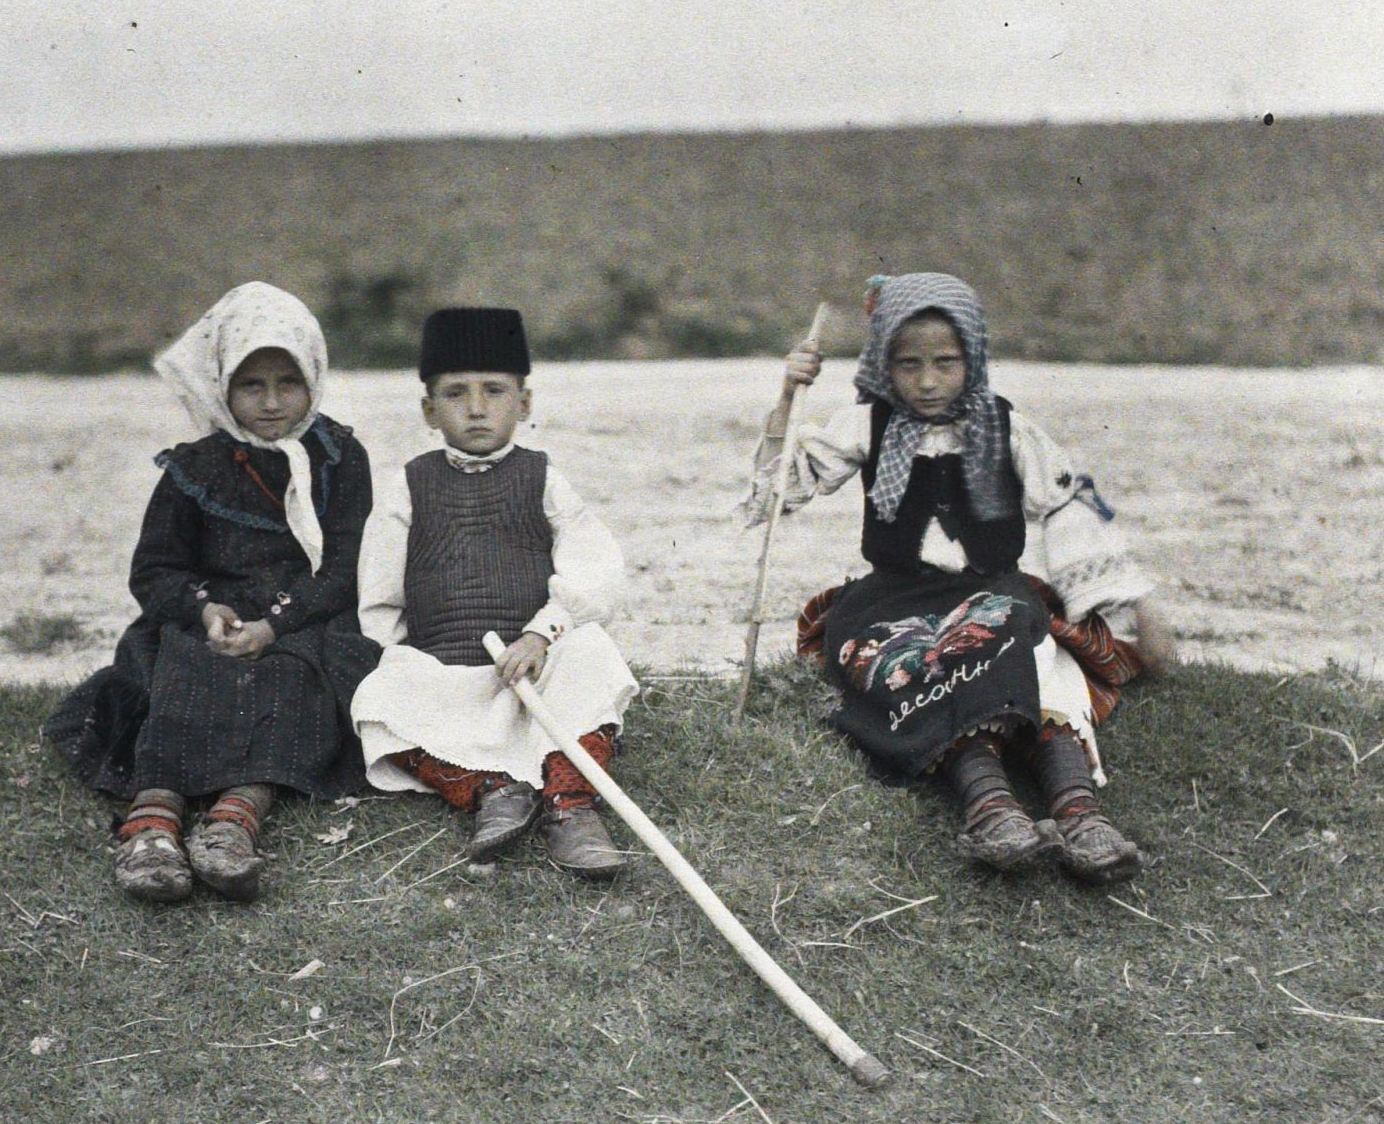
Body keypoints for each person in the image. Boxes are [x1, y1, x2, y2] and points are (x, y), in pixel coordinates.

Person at [742, 272, 1173, 883]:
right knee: (916, 660)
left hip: (993, 590)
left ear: (973, 357)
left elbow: (1069, 503)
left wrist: (1131, 607)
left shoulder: (1008, 427)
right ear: (881, 364)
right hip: (895, 599)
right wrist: (789, 397)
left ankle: (1080, 811)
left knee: (1039, 665)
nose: (926, 381)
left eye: (945, 363)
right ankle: (989, 804)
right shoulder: (866, 425)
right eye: (908, 364)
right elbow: (784, 483)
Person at [43, 282, 380, 904]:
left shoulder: (339, 456)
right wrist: (203, 609)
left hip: (302, 616)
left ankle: (235, 818)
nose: (273, 402)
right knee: (178, 671)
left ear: (314, 379)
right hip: (212, 616)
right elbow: (154, 571)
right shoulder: (194, 468)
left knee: (294, 678)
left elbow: (345, 568)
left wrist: (275, 626)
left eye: (289, 382)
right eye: (252, 385)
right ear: (221, 385)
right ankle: (154, 820)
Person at [351, 307, 641, 881]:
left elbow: (594, 569)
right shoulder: (407, 487)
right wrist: (416, 662)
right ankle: (493, 791)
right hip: (449, 673)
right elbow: (379, 598)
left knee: (595, 658)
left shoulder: (543, 478)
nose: (477, 408)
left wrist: (543, 632)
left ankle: (569, 801)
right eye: (456, 394)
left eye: (495, 391)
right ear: (429, 411)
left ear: (525, 404)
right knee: (380, 700)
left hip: (537, 665)